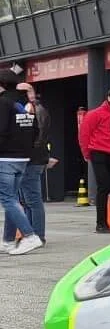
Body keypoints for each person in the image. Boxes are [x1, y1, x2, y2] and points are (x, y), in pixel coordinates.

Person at [4, 83, 55, 246]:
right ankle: (24, 235)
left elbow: (38, 136)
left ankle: (36, 235)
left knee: (31, 199)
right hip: (27, 158)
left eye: (28, 91)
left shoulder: (34, 110)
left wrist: (34, 154)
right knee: (22, 200)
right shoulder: (23, 108)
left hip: (31, 160)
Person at [0, 76, 43, 255]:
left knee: (7, 199)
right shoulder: (21, 105)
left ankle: (30, 236)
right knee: (12, 200)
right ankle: (8, 241)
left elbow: (1, 130)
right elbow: (35, 130)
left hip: (5, 159)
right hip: (22, 159)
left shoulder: (3, 104)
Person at [80, 88, 110, 233]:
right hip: (98, 151)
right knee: (104, 185)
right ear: (108, 98)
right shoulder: (95, 114)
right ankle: (100, 224)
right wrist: (86, 153)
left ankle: (109, 220)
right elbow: (84, 134)